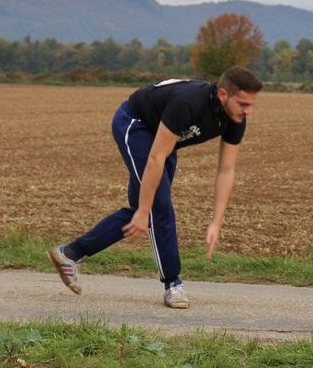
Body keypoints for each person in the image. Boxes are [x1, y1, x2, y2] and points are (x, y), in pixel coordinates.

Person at [46, 66, 263, 309]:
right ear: (223, 95)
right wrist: (145, 209)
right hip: (136, 125)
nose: (248, 110)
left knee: (144, 211)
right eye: (243, 104)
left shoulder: (235, 119)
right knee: (157, 208)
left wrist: (216, 222)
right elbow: (155, 158)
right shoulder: (188, 103)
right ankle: (173, 284)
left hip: (163, 140)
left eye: (252, 104)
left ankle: (70, 254)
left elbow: (226, 171)